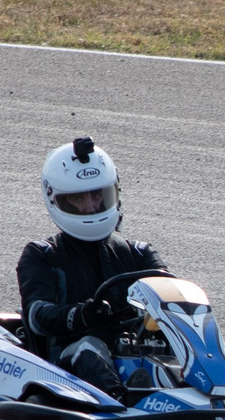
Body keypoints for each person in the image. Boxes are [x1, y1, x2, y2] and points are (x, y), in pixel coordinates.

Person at [17, 137, 165, 395]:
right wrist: (81, 315)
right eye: (78, 199)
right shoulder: (42, 255)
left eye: (97, 195)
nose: (91, 206)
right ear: (56, 199)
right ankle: (121, 410)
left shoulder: (138, 254)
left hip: (132, 351)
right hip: (68, 363)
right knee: (89, 347)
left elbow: (169, 293)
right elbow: (37, 316)